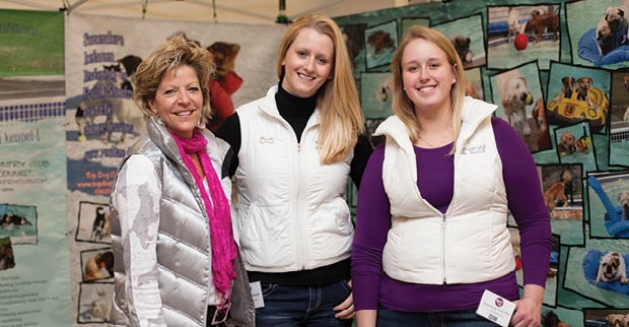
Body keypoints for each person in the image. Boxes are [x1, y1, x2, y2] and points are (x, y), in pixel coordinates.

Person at [352, 25, 552, 327]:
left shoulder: (498, 136)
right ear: (402, 81)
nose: (424, 75)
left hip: (485, 311)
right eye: (412, 68)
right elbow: (367, 248)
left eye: (434, 65)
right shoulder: (385, 152)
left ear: (455, 72)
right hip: (401, 314)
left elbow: (535, 221)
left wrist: (534, 298)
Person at [216, 13, 372, 327]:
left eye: (322, 59)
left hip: (336, 295)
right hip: (267, 293)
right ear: (285, 56)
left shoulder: (347, 129)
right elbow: (208, 205)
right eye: (302, 53)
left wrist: (367, 281)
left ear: (331, 71)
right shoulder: (241, 124)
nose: (309, 66)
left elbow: (380, 206)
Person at [108, 36, 254, 327]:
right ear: (152, 103)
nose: (184, 100)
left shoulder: (216, 156)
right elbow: (139, 274)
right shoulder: (144, 165)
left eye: (192, 89)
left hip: (217, 317)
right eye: (170, 91)